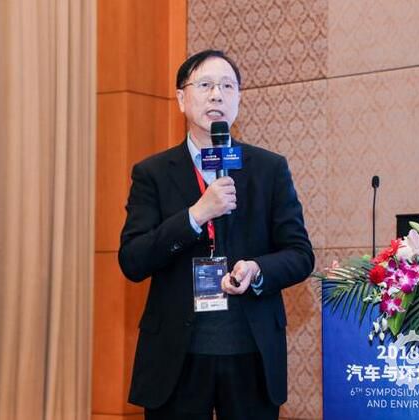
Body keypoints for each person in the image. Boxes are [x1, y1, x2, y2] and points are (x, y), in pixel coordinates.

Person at [118, 49, 314, 420]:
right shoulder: (152, 173)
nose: (216, 95)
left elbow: (300, 254)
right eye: (205, 85)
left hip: (250, 352)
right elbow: (133, 259)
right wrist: (195, 215)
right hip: (176, 357)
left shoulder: (269, 168)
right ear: (181, 98)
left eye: (227, 86)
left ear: (238, 98)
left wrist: (256, 269)